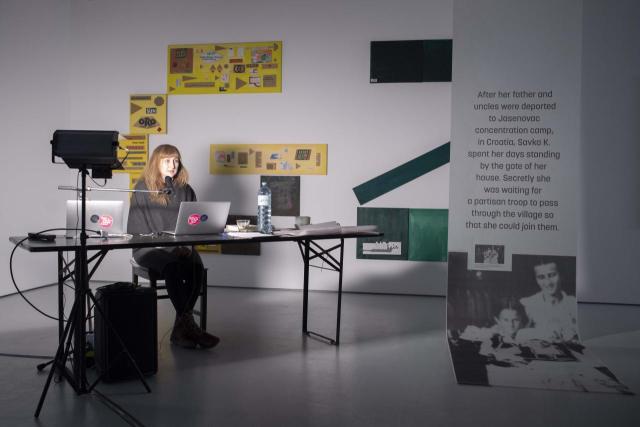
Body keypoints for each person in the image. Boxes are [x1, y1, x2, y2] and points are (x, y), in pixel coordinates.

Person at [127, 144, 219, 349]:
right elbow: (138, 229)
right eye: (167, 161)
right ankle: (188, 326)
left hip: (180, 246)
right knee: (174, 267)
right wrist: (168, 248)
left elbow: (194, 223)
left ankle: (181, 328)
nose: (172, 165)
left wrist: (186, 246)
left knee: (196, 266)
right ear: (156, 163)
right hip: (149, 248)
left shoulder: (186, 189)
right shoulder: (143, 187)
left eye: (175, 160)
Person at [518, 260, 579, 343]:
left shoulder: (574, 304)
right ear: (536, 279)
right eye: (541, 277)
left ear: (561, 275)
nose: (548, 282)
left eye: (552, 275)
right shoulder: (527, 304)